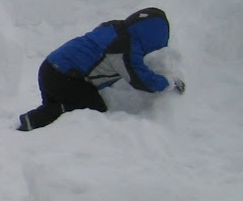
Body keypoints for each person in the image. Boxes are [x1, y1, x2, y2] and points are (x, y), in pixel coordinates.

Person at [18, 7, 184, 131]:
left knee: (54, 111)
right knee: (92, 109)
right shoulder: (125, 48)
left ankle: (28, 130)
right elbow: (141, 80)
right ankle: (30, 124)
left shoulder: (114, 28)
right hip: (63, 76)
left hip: (50, 67)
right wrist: (169, 82)